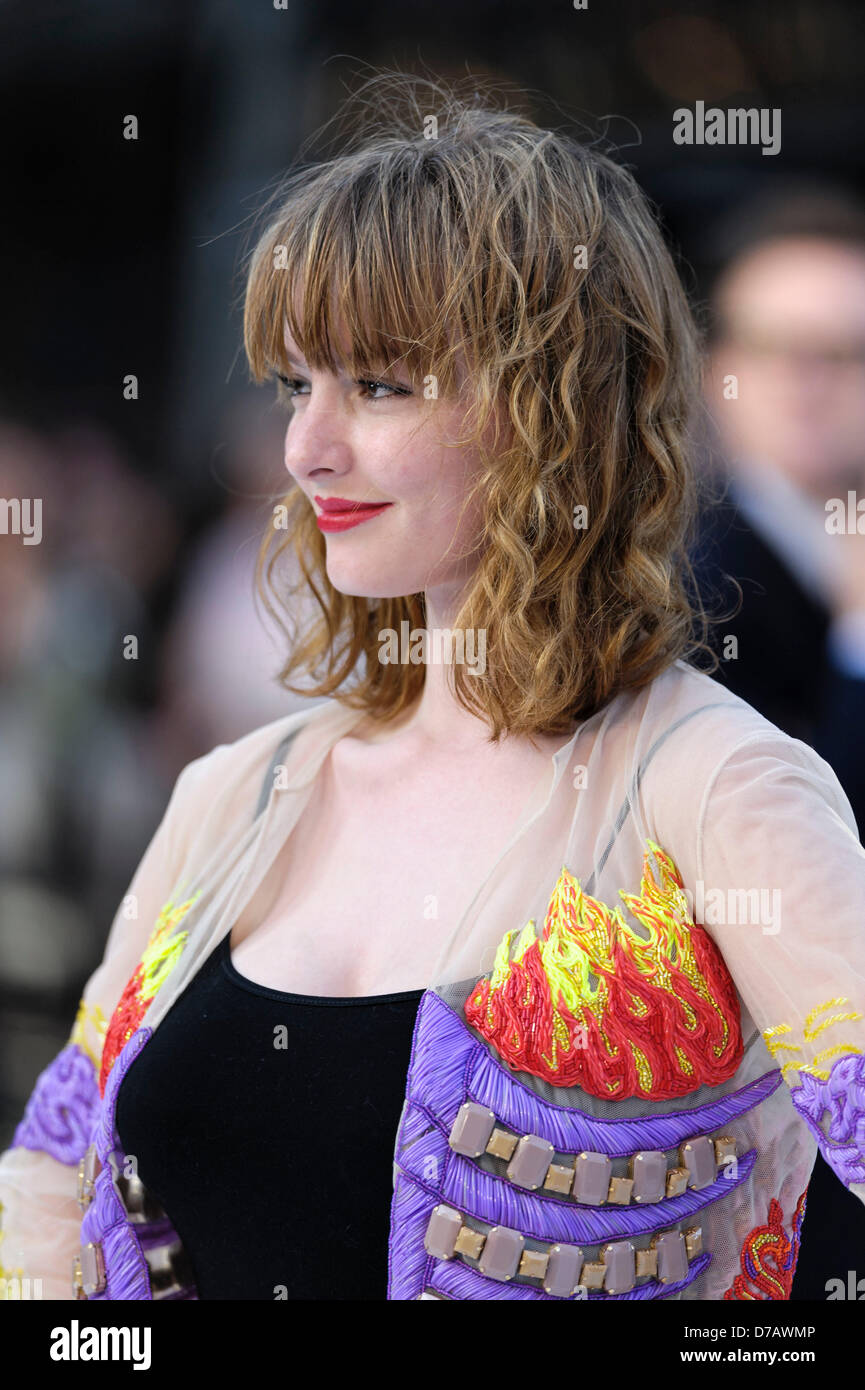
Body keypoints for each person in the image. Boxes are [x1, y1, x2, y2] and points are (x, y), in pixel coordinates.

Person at [1, 73, 864, 1303]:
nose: (307, 447)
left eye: (381, 385)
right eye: (298, 384)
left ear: (551, 408)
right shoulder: (241, 790)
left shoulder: (714, 780)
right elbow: (49, 1181)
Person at [693, 185, 865, 1297]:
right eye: (777, 347)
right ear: (720, 369)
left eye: (844, 351)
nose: (809, 384)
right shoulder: (694, 588)